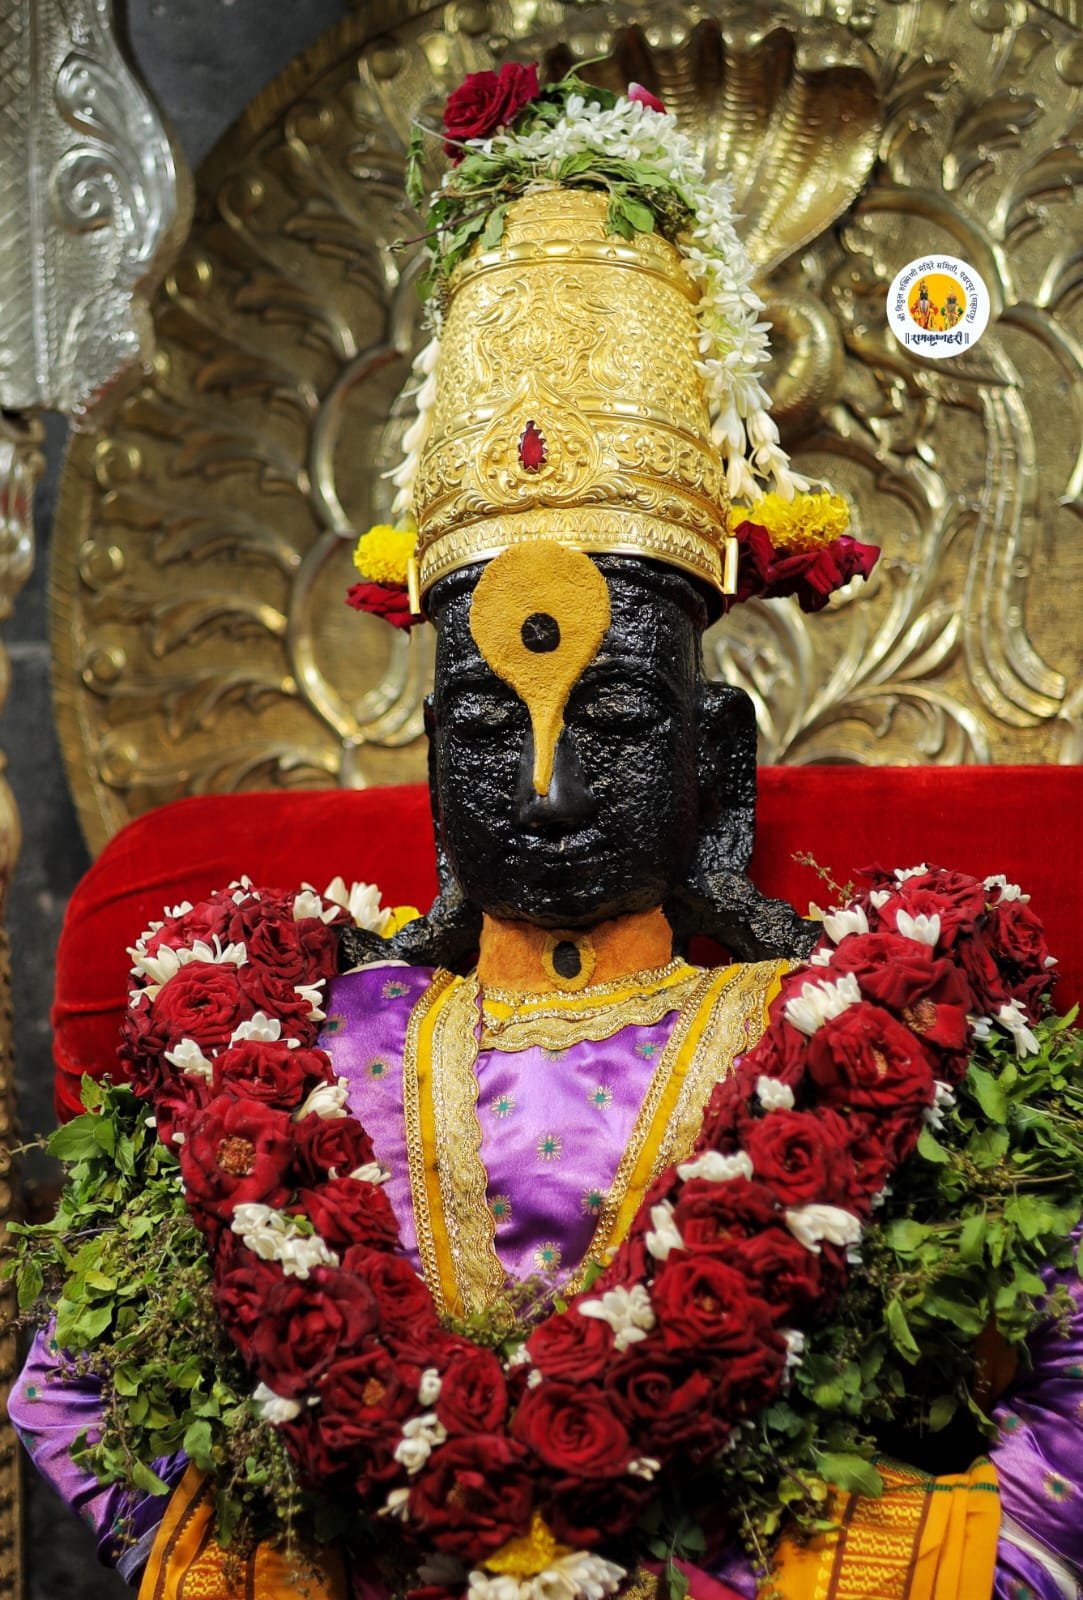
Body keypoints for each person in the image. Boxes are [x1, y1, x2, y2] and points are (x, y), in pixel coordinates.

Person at [11, 67, 1083, 1600]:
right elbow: (79, 1387)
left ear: (716, 757)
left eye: (618, 720)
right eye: (484, 729)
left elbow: (1064, 1385)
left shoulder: (860, 1052)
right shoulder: (296, 1057)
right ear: (428, 764)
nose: (553, 789)